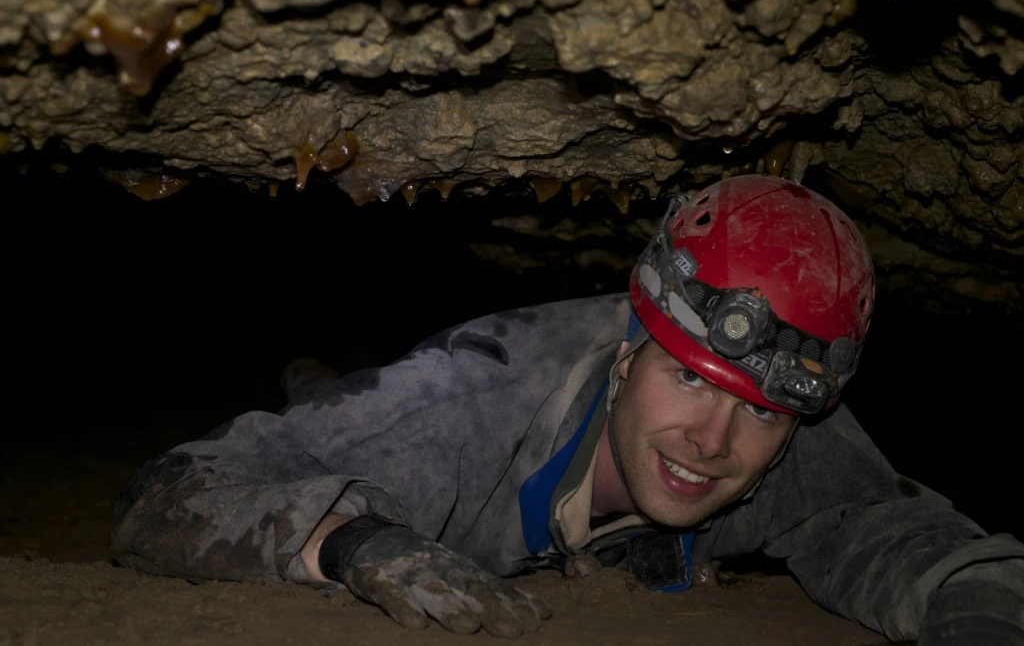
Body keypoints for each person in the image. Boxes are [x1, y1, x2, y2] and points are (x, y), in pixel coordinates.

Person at [111, 175, 1024, 644]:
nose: (714, 443)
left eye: (759, 413)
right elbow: (171, 489)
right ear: (629, 353)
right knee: (336, 409)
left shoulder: (783, 432)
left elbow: (914, 538)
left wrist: (979, 608)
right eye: (694, 379)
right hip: (430, 395)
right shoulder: (469, 405)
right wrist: (354, 543)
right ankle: (312, 378)